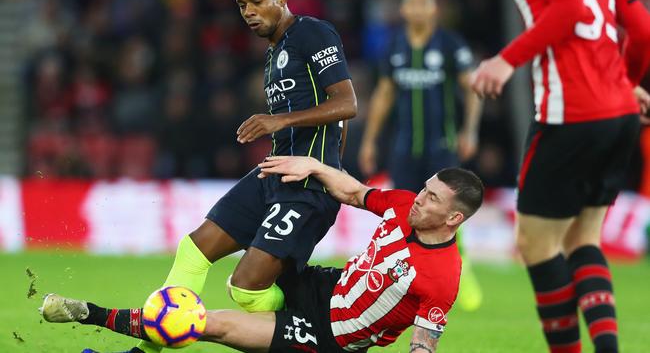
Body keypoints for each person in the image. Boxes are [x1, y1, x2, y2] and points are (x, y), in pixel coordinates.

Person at [118, 0, 358, 352]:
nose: (249, 11)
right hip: (273, 174)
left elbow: (347, 103)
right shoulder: (275, 50)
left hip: (306, 184)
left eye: (257, 0)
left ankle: (317, 324)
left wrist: (320, 161)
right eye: (242, 5)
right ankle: (147, 348)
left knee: (246, 290)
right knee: (193, 250)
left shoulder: (313, 32)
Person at [41, 157, 484, 353]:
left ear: (454, 220)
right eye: (424, 189)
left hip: (327, 335)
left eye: (432, 198)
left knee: (199, 323)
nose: (420, 199)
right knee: (243, 275)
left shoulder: (443, 278)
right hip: (323, 286)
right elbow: (355, 192)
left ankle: (87, 312)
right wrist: (314, 166)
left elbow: (424, 344)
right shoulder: (405, 203)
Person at [470, 0, 650, 352]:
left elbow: (568, 8)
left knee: (535, 245)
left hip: (570, 115)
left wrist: (506, 60)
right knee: (583, 239)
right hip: (619, 115)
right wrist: (627, 84)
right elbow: (643, 30)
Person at [358, 0, 483, 312]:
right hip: (404, 146)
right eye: (410, 2)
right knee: (404, 212)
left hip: (442, 146)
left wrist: (470, 130)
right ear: (403, 9)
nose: (416, 8)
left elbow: (471, 90)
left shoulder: (450, 44)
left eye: (423, 2)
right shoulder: (393, 46)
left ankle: (461, 270)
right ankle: (401, 276)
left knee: (448, 213)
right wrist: (370, 140)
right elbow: (384, 95)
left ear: (434, 9)